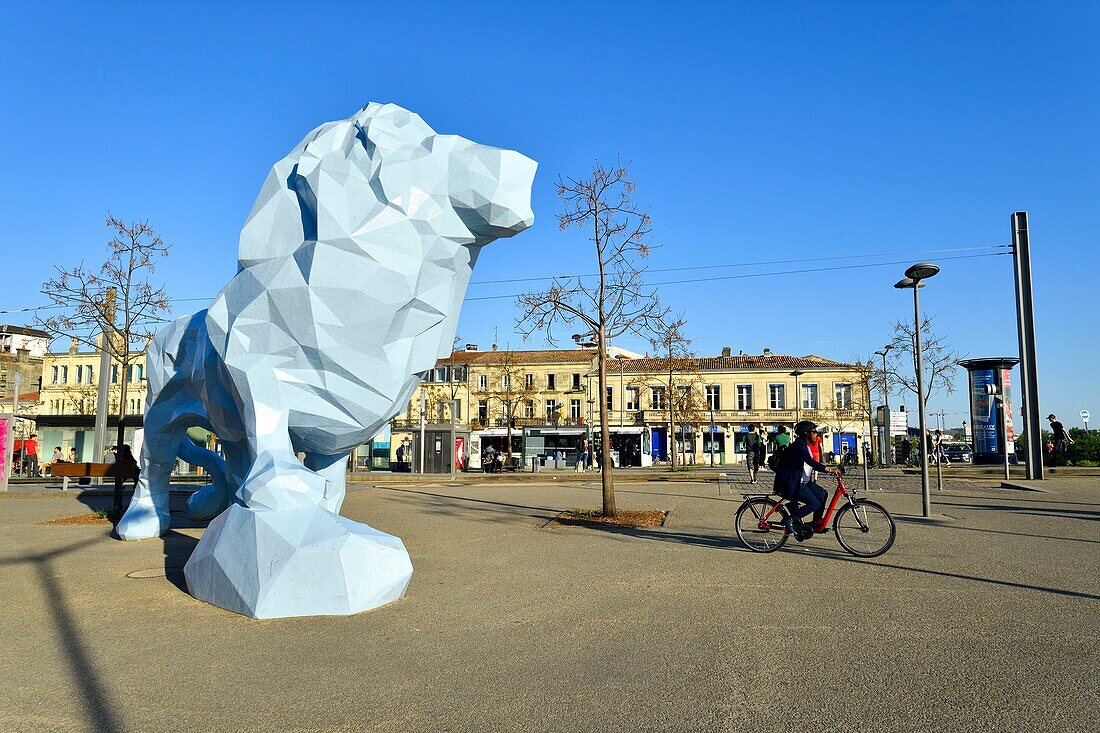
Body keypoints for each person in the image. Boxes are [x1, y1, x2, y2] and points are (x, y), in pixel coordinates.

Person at [773, 420, 840, 540]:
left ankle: (815, 524)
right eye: (814, 432)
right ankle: (790, 519)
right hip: (794, 483)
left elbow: (811, 463)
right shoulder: (799, 444)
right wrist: (829, 469)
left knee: (823, 494)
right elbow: (810, 462)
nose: (816, 435)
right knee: (814, 503)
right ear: (806, 433)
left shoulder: (805, 444)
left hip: (804, 481)